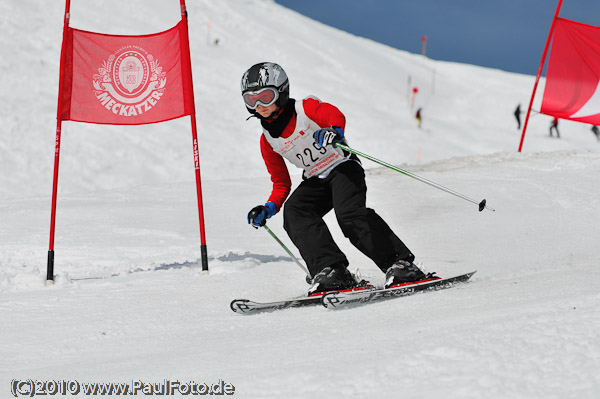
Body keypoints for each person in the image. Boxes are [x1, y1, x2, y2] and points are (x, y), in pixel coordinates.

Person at [241, 62, 433, 296]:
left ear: (282, 91)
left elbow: (334, 114)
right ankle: (332, 271)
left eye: (265, 97)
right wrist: (269, 207)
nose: (260, 105)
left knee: (349, 216)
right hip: (315, 179)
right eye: (252, 100)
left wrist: (334, 130)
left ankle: (401, 264)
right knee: (295, 211)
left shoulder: (304, 109)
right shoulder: (267, 141)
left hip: (342, 167)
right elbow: (281, 182)